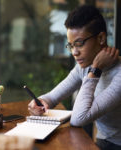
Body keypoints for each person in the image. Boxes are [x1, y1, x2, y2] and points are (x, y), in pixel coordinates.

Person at [28, 5, 121, 150]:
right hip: (104, 141)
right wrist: (40, 101)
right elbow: (52, 97)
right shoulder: (84, 67)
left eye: (79, 44)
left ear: (101, 38)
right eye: (70, 46)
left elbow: (79, 119)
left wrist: (95, 69)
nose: (74, 52)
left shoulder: (115, 73)